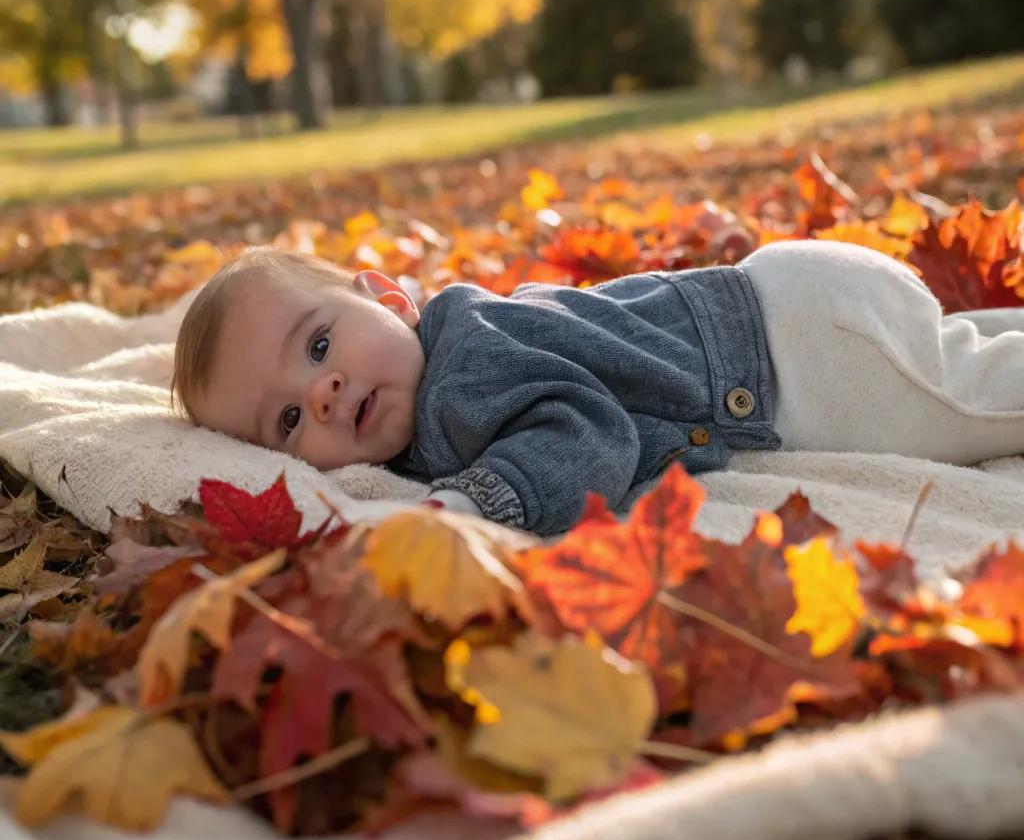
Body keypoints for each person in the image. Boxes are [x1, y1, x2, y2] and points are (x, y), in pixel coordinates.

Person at [170, 242, 1024, 537]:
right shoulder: (436, 373)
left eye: (319, 345)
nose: (323, 393)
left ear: (391, 298)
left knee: (971, 406)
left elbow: (586, 433)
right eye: (286, 418)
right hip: (785, 303)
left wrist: (473, 504)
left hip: (794, 352)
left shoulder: (463, 366)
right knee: (950, 358)